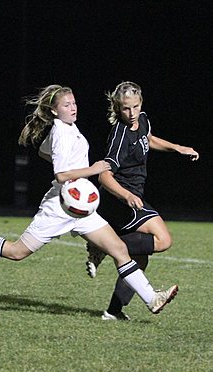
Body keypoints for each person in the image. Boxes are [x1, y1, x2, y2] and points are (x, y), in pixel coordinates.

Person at [0, 84, 178, 315]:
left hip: (81, 207)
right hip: (59, 207)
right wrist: (93, 169)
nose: (73, 108)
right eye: (66, 105)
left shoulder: (69, 128)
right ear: (54, 110)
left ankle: (152, 299)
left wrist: (81, 174)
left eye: (73, 103)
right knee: (17, 252)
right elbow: (61, 175)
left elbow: (43, 152)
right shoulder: (61, 132)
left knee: (119, 249)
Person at [85, 81, 198, 321]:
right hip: (120, 202)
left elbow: (148, 139)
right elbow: (104, 175)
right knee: (163, 240)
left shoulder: (142, 119)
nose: (131, 113)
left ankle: (113, 311)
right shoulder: (119, 134)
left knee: (140, 259)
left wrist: (177, 148)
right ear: (118, 108)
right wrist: (126, 195)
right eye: (125, 108)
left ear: (141, 103)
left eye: (135, 106)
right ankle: (105, 245)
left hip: (133, 197)